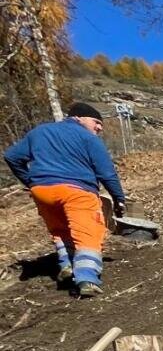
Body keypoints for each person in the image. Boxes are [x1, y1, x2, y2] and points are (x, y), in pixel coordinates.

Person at [4, 102, 127, 297]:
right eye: (96, 122)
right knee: (88, 233)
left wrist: (30, 182)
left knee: (60, 231)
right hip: (77, 192)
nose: (99, 128)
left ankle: (67, 265)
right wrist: (119, 199)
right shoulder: (87, 137)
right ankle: (87, 278)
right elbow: (107, 173)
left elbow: (11, 156)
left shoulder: (40, 131)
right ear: (78, 117)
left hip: (42, 192)